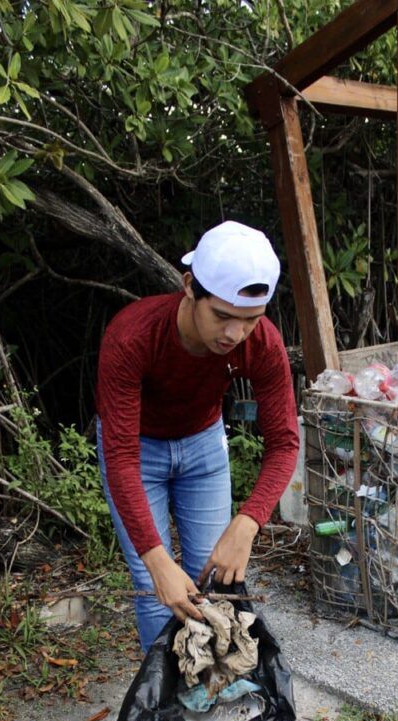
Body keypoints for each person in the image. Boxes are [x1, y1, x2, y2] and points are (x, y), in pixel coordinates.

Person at [96, 220, 300, 652]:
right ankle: (170, 704)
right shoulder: (133, 336)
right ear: (190, 286)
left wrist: (246, 524)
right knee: (160, 589)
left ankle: (212, 688)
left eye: (249, 320)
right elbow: (120, 455)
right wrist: (156, 559)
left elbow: (284, 443)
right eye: (222, 316)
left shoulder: (260, 342)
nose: (234, 334)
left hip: (204, 444)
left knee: (212, 580)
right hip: (137, 450)